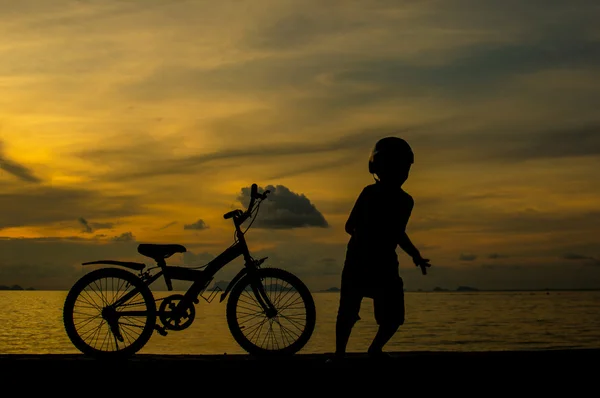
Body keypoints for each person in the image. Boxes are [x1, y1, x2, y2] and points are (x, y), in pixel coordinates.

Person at [333, 136, 431, 360]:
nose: (401, 172)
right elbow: (353, 226)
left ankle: (365, 351)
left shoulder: (402, 200)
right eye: (397, 166)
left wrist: (415, 255)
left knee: (388, 315)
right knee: (352, 311)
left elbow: (395, 233)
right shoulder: (376, 195)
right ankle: (348, 353)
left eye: (404, 167)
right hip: (362, 261)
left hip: (381, 262)